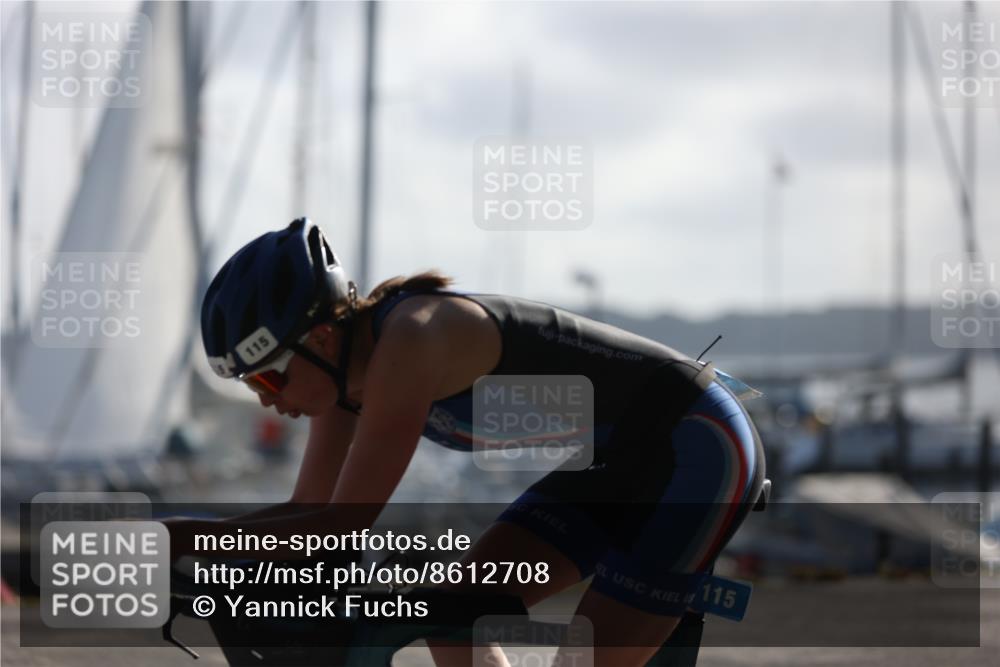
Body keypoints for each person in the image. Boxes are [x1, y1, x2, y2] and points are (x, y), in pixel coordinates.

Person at [176, 217, 765, 667]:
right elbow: (307, 517)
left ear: (323, 339)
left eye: (267, 376)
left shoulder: (411, 340)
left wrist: (174, 540)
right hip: (617, 461)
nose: (265, 399)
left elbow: (342, 525)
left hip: (699, 446)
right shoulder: (345, 386)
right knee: (450, 607)